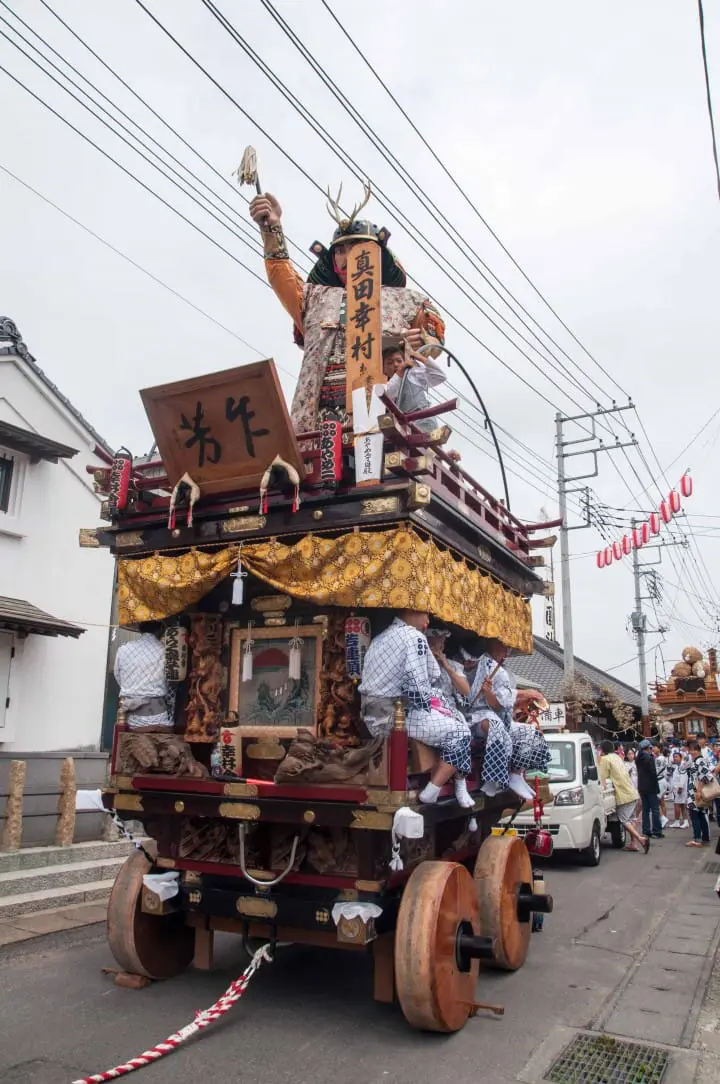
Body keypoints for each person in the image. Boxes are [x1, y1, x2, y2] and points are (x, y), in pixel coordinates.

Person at [248, 191, 445, 434]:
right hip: (320, 411)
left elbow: (433, 344)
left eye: (357, 247)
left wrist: (425, 341)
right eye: (340, 250)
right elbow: (282, 277)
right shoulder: (314, 298)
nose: (349, 255)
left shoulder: (409, 300)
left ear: (378, 254)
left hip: (382, 408)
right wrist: (272, 229)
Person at [359, 611, 474, 807]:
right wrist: (430, 709)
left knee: (449, 720)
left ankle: (450, 784)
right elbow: (417, 686)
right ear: (411, 612)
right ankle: (431, 791)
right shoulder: (414, 636)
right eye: (425, 615)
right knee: (461, 732)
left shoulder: (380, 638)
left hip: (370, 716)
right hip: (395, 718)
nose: (427, 622)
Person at [466, 638, 532, 800]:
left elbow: (503, 703)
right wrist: (488, 694)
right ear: (494, 645)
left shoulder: (500, 670)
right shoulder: (486, 666)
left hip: (497, 716)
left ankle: (516, 774)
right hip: (475, 717)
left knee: (528, 731)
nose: (506, 651)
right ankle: (491, 779)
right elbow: (497, 705)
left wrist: (489, 693)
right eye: (503, 646)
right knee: (495, 727)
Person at [113, 621, 175, 731]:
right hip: (159, 717)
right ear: (161, 628)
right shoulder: (166, 652)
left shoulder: (123, 649)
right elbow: (169, 682)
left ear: (140, 628)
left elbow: (118, 676)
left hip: (130, 718)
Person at [382, 341, 447, 433]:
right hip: (406, 428)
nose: (396, 365)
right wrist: (399, 373)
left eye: (399, 361)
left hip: (425, 421)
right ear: (383, 369)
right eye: (389, 363)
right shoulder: (384, 386)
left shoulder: (413, 374)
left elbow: (440, 376)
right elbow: (387, 396)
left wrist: (420, 357)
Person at [598, 740, 650, 853]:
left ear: (602, 750)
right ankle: (633, 844)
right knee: (631, 820)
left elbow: (602, 778)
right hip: (632, 792)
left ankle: (641, 839)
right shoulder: (617, 757)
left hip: (623, 795)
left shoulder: (605, 759)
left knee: (624, 820)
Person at [681, 741, 717, 847]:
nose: (689, 752)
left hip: (696, 792)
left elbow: (707, 776)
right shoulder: (697, 760)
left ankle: (697, 839)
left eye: (690, 750)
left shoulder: (699, 761)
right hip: (695, 791)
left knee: (695, 815)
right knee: (701, 814)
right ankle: (704, 838)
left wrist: (699, 791)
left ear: (694, 750)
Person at [425, 628, 470, 712]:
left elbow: (465, 690)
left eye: (434, 646)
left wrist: (447, 667)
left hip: (446, 709)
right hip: (425, 707)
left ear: (442, 646)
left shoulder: (451, 665)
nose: (431, 648)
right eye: (430, 644)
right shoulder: (418, 661)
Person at [636, 738, 663, 839]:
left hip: (642, 787)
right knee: (655, 809)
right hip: (651, 787)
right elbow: (653, 773)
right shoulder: (649, 758)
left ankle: (646, 831)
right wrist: (656, 787)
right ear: (648, 748)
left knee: (645, 810)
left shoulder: (638, 758)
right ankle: (657, 831)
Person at [667, 749, 689, 828]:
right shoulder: (678, 766)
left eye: (676, 757)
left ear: (681, 757)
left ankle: (684, 821)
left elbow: (683, 777)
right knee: (681, 805)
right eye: (674, 757)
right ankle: (679, 821)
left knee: (681, 805)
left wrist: (680, 787)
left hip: (681, 789)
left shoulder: (682, 765)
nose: (675, 758)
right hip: (677, 789)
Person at [653, 742, 669, 827]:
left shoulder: (659, 759)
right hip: (662, 780)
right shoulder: (661, 758)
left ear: (659, 748)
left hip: (659, 781)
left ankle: (663, 818)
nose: (653, 748)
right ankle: (664, 819)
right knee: (662, 802)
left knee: (655, 802)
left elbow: (656, 771)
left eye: (654, 747)